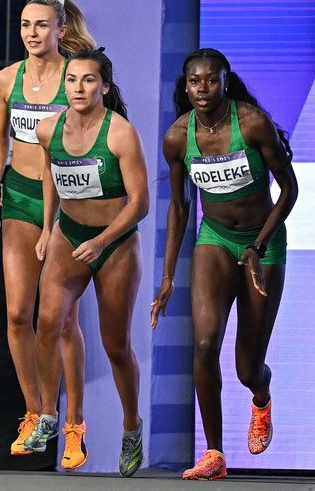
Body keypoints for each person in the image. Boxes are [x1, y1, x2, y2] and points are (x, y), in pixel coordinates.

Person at [151, 48, 298, 481]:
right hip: (214, 240)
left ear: (225, 82)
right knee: (203, 344)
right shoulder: (177, 137)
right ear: (185, 85)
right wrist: (167, 276)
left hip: (263, 243)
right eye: (194, 81)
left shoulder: (251, 123)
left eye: (211, 80)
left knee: (246, 368)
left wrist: (258, 244)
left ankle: (261, 398)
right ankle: (214, 454)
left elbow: (289, 190)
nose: (203, 88)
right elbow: (180, 207)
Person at [31, 47, 149, 476]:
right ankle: (48, 415)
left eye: (88, 80)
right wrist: (47, 228)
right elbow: (49, 177)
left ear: (105, 86)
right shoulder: (48, 129)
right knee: (47, 322)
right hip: (68, 234)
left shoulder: (120, 133)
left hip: (114, 244)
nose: (78, 88)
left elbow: (140, 203)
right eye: (71, 80)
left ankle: (131, 426)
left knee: (115, 345)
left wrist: (101, 241)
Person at [0, 0, 94, 462]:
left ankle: (75, 424)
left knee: (64, 320)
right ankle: (36, 414)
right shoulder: (7, 78)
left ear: (60, 30)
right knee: (18, 313)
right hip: (18, 198)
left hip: (66, 204)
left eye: (41, 25)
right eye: (26, 25)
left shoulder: (74, 80)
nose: (32, 33)